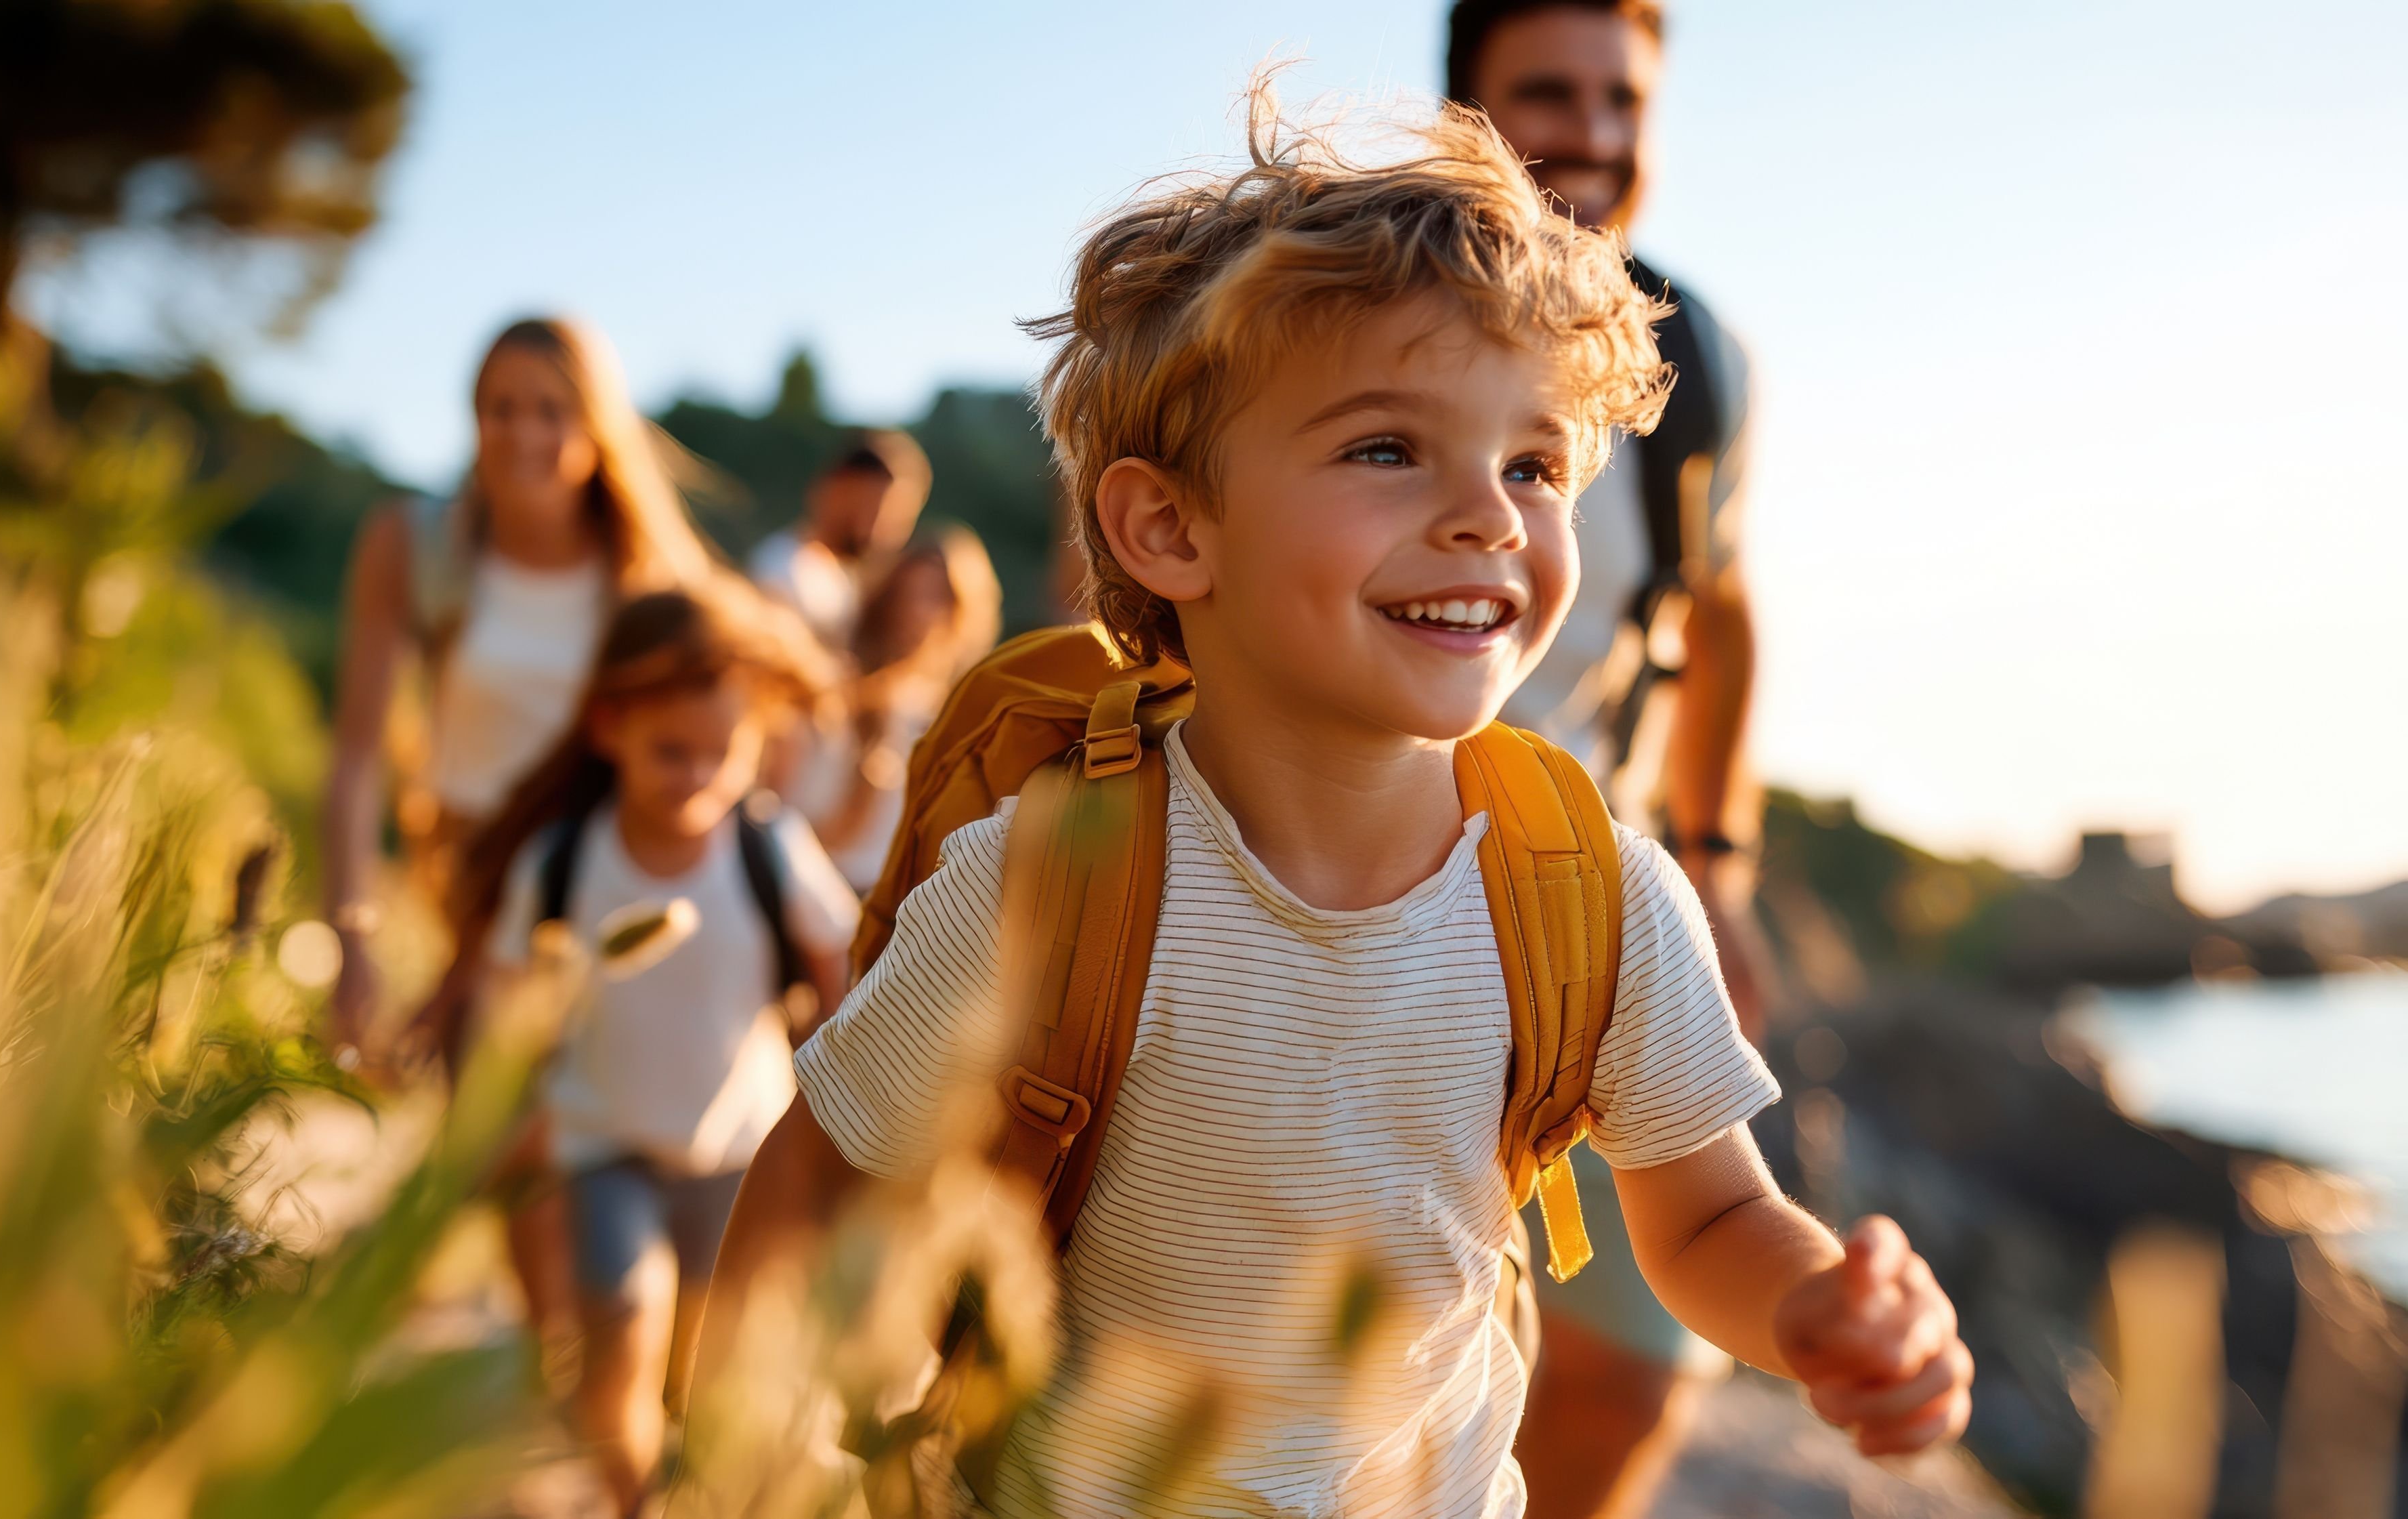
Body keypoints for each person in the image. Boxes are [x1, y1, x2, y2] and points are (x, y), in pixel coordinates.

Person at [698, 83, 1968, 1516]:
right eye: (1384, 447)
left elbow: (1710, 1210)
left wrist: (1813, 1309)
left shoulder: (1587, 892)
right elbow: (816, 1177)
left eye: (1532, 463)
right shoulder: (1050, 878)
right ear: (1169, 526)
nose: (1487, 512)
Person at [1448, 6, 1771, 1512]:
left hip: (1590, 908)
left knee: (1633, 1371)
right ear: (1461, 106)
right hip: (1341, 880)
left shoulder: (1693, 359)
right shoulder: (1334, 305)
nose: (1587, 131)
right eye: (1543, 94)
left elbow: (1718, 621)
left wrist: (1716, 870)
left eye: (1617, 98)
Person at [438, 580, 858, 1514]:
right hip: (604, 1155)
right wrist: (502, 1124)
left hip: (739, 1161)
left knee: (708, 1378)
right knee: (618, 1344)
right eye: (672, 752)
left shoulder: (771, 850)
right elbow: (510, 1013)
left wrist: (838, 1125)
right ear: (609, 730)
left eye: (723, 755)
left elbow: (840, 979)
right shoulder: (562, 862)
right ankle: (635, 1502)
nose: (698, 777)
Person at [322, 317, 712, 1066]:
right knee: (480, 1127)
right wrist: (351, 942)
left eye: (550, 411)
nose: (521, 433)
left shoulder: (645, 579)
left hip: (605, 882)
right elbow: (356, 759)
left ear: (597, 429)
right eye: (499, 408)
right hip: (468, 877)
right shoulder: (417, 546)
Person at [803, 527, 1003, 888]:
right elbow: (807, 824)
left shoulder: (957, 713)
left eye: (935, 598)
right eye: (907, 595)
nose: (917, 612)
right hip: (828, 892)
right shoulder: (839, 688)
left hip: (898, 903)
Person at [746, 428, 932, 647]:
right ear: (835, 490)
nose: (886, 531)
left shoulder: (841, 577)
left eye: (902, 518)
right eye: (877, 510)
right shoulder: (780, 572)